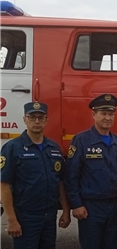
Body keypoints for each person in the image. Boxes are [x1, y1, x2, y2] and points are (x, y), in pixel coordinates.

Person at [0, 102, 71, 249]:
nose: (37, 121)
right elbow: (4, 185)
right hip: (26, 217)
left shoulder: (54, 148)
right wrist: (12, 220)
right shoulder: (12, 148)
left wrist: (65, 210)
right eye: (32, 117)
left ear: (47, 120)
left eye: (40, 117)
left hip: (49, 216)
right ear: (25, 119)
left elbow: (60, 182)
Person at [65, 93, 117, 249]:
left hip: (114, 206)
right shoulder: (81, 140)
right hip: (91, 207)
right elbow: (71, 175)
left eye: (111, 114)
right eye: (103, 113)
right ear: (94, 114)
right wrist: (76, 204)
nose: (108, 117)